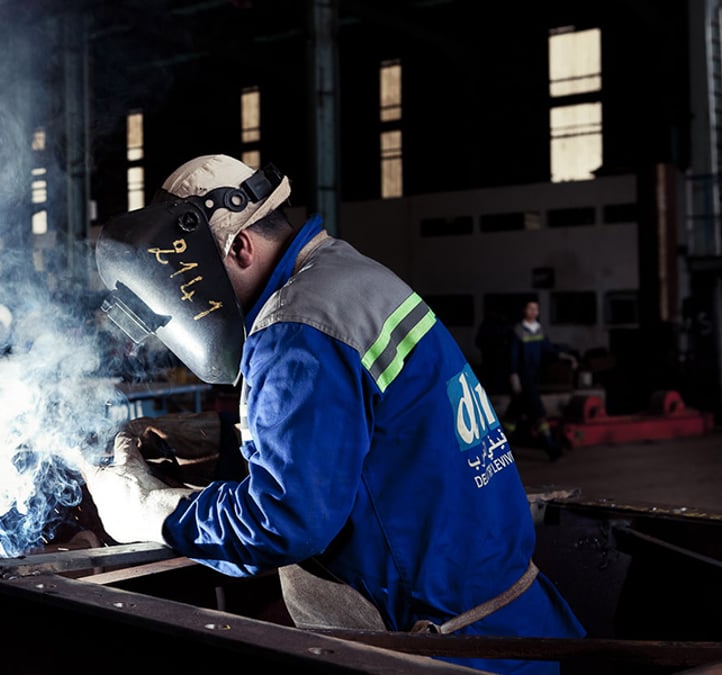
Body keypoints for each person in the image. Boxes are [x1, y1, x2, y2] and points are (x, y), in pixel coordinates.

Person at [84, 154, 584, 674]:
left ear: (238, 247)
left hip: (449, 652)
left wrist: (147, 510)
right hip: (519, 624)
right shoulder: (345, 277)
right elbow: (366, 433)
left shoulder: (296, 327)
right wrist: (221, 439)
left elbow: (283, 520)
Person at [504, 299, 578, 461]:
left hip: (532, 376)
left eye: (536, 309)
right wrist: (513, 375)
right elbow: (513, 354)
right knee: (538, 412)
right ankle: (551, 449)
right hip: (522, 377)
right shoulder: (518, 331)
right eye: (530, 308)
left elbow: (547, 348)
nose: (533, 312)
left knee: (514, 414)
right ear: (524, 310)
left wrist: (562, 355)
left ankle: (502, 448)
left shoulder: (538, 329)